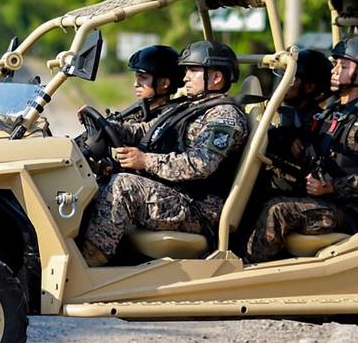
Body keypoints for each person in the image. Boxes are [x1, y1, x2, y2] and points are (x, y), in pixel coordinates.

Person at [79, 40, 249, 267]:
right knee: (94, 179)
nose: (185, 76)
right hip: (177, 193)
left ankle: (88, 266)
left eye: (193, 70)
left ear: (216, 77)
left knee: (124, 187)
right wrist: (106, 126)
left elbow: (200, 164)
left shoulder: (224, 117)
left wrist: (144, 160)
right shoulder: (190, 106)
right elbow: (147, 131)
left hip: (199, 208)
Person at [242, 36, 358, 263]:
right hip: (322, 199)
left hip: (345, 208)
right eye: (335, 64)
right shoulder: (332, 112)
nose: (334, 71)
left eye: (343, 66)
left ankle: (249, 269)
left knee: (278, 210)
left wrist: (331, 187)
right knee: (259, 194)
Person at [259, 48, 334, 196]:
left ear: (309, 87)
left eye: (292, 78)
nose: (284, 82)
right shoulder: (280, 113)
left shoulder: (318, 122)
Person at [109, 45, 184, 123]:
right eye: (136, 77)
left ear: (164, 83)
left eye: (143, 78)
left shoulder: (170, 118)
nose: (136, 84)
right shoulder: (140, 114)